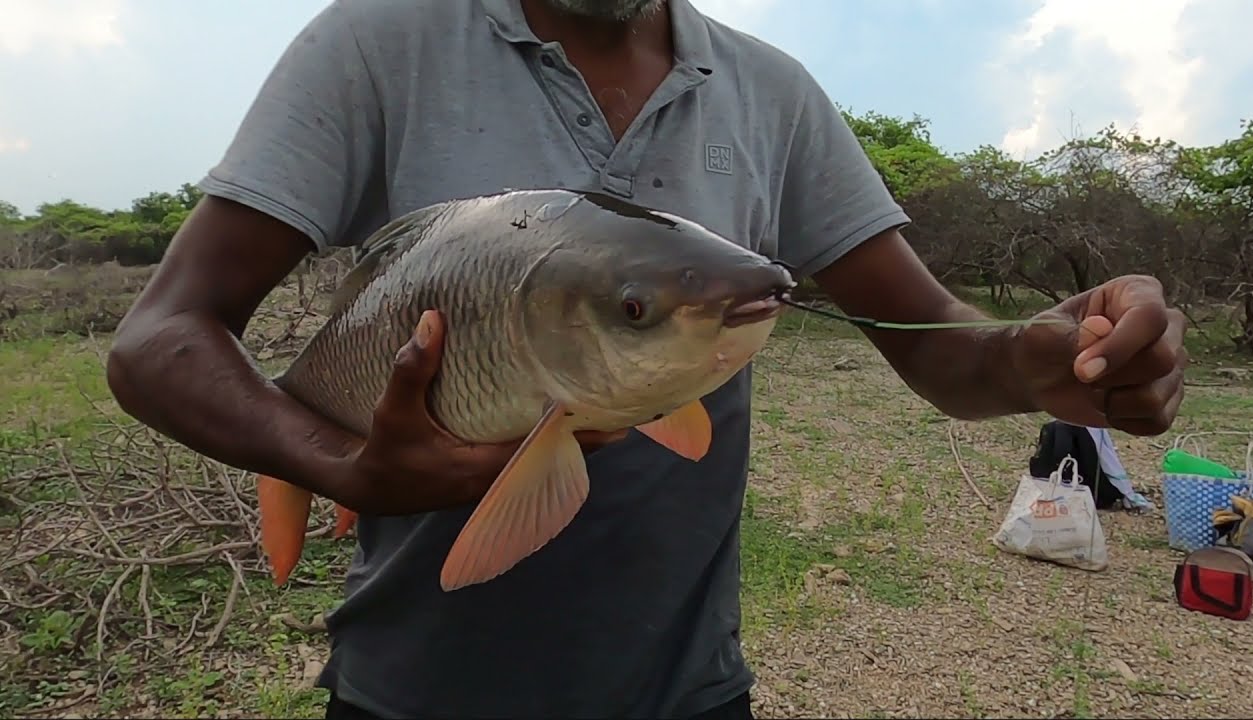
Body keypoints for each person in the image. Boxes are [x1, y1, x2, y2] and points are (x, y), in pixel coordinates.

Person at [105, 0, 1189, 718]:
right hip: (415, 691)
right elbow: (161, 337)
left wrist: (1035, 359)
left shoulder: (771, 94)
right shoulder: (374, 44)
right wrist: (326, 458)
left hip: (685, 689)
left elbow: (945, 349)